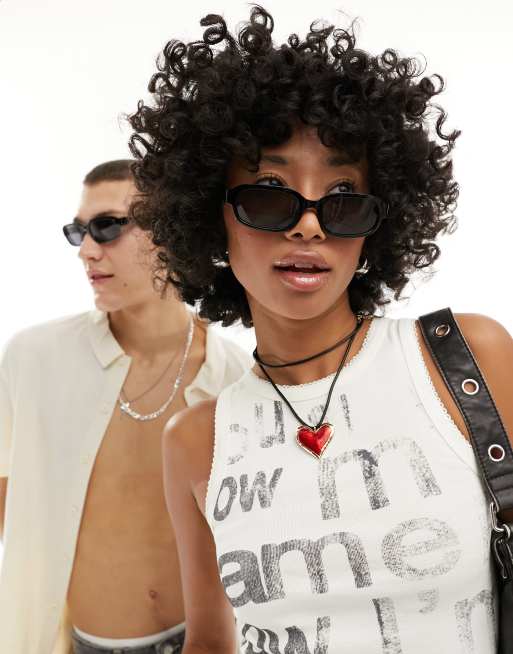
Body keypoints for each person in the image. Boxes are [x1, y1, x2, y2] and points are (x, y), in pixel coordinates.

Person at [127, 7, 513, 654]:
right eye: (270, 192)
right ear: (210, 219)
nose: (308, 224)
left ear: (373, 226)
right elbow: (211, 643)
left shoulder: (467, 361)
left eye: (341, 198)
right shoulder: (196, 440)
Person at [0, 159, 251, 654]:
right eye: (79, 232)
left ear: (174, 233)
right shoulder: (33, 358)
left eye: (108, 227)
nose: (87, 251)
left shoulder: (236, 379)